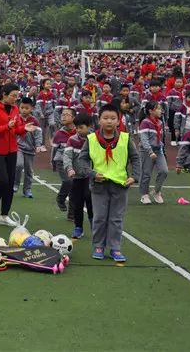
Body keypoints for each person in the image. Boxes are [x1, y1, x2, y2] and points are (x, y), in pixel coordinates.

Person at [78, 104, 140, 262]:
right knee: (99, 217)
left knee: (116, 218)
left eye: (113, 118)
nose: (109, 121)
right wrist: (91, 174)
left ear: (119, 121)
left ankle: (115, 248)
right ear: (99, 120)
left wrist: (135, 176)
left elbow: (135, 158)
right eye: (105, 118)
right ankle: (98, 245)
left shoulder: (125, 138)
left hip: (120, 185)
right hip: (99, 185)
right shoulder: (91, 139)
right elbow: (82, 160)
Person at [0, 83, 37, 226]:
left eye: (17, 95)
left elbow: (16, 130)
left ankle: (4, 215)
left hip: (12, 150)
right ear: (4, 95)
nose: (16, 99)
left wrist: (24, 128)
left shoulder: (15, 109)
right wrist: (7, 126)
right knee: (2, 180)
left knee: (10, 184)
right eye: (13, 96)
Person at [64, 113, 94, 239]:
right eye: (77, 127)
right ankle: (78, 227)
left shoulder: (94, 139)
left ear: (89, 126)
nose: (78, 130)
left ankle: (94, 225)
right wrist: (69, 169)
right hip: (76, 177)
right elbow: (67, 156)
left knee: (90, 200)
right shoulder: (72, 140)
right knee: (77, 202)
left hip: (91, 176)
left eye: (81, 127)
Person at [137, 101, 169, 205]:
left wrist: (162, 150)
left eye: (160, 109)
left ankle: (156, 191)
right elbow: (144, 139)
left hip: (158, 150)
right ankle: (144, 194)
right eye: (158, 109)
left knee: (164, 171)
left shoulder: (160, 122)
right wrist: (150, 152)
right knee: (146, 174)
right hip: (146, 151)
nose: (161, 111)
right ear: (151, 111)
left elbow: (160, 138)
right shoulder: (145, 122)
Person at [14, 97, 44, 198]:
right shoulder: (16, 118)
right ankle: (15, 184)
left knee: (29, 170)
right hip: (18, 147)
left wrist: (38, 145)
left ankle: (27, 189)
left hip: (30, 149)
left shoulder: (34, 120)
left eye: (26, 108)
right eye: (21, 107)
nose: (23, 110)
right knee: (18, 165)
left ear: (32, 108)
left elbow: (38, 134)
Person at [52, 107, 77, 219]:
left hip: (74, 163)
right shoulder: (59, 133)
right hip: (61, 161)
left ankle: (71, 214)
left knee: (74, 188)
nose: (63, 116)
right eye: (62, 114)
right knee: (68, 182)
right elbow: (54, 149)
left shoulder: (79, 132)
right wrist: (52, 161)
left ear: (74, 118)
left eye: (67, 114)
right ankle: (61, 198)